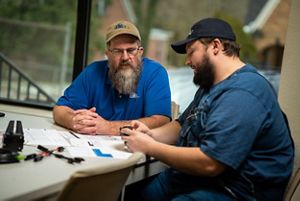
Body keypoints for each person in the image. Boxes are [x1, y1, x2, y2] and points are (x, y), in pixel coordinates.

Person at [121, 18, 294, 201]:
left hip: (235, 191)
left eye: (191, 52)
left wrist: (149, 146)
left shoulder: (244, 92)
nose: (187, 61)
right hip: (200, 179)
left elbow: (210, 163)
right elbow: (182, 125)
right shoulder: (210, 86)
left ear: (215, 46)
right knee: (137, 194)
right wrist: (150, 134)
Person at [53, 20, 171, 135]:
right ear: (108, 53)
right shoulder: (92, 72)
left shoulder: (155, 73)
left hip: (135, 151)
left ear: (140, 52)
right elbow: (59, 110)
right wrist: (74, 121)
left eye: (130, 50)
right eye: (117, 51)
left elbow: (161, 120)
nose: (125, 57)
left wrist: (109, 127)